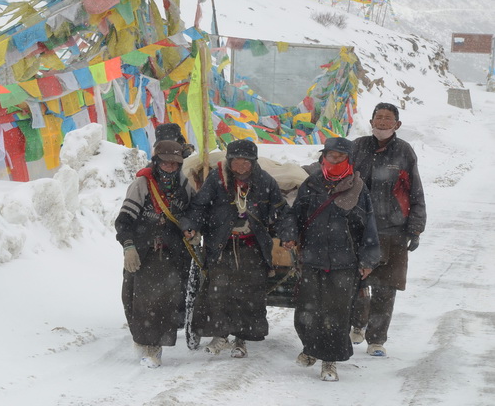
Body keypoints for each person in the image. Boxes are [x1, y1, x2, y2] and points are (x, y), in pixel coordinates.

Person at [179, 139, 297, 359]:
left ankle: (241, 339)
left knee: (249, 293)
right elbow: (199, 207)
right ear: (229, 161)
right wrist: (190, 225)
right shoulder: (217, 179)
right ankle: (220, 336)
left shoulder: (265, 181)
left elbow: (282, 212)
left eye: (246, 162)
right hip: (221, 244)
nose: (241, 166)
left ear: (253, 162)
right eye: (236, 162)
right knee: (218, 291)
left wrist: (288, 234)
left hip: (252, 246)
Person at [293, 137, 380, 381]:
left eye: (340, 156)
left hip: (345, 262)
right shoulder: (311, 184)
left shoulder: (359, 189)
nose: (334, 159)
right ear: (323, 156)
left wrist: (368, 260)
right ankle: (310, 349)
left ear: (349, 159)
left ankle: (329, 362)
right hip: (312, 259)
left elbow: (369, 227)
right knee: (305, 312)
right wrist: (289, 234)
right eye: (330, 155)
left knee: (336, 314)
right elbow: (295, 215)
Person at [349, 103, 427, 357]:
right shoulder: (358, 146)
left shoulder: (404, 152)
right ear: (371, 121)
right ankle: (358, 323)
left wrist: (415, 228)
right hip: (358, 228)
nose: (382, 122)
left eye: (388, 119)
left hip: (392, 229)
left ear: (397, 124)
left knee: (385, 287)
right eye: (378, 118)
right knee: (356, 282)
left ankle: (377, 339)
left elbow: (415, 190)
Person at [115, 140, 195, 368]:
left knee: (162, 302)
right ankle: (142, 340)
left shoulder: (184, 185)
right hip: (143, 252)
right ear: (157, 162)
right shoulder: (141, 185)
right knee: (134, 301)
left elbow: (192, 213)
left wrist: (191, 228)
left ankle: (153, 348)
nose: (170, 167)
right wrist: (128, 246)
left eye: (174, 163)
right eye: (165, 163)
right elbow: (124, 221)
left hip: (172, 254)